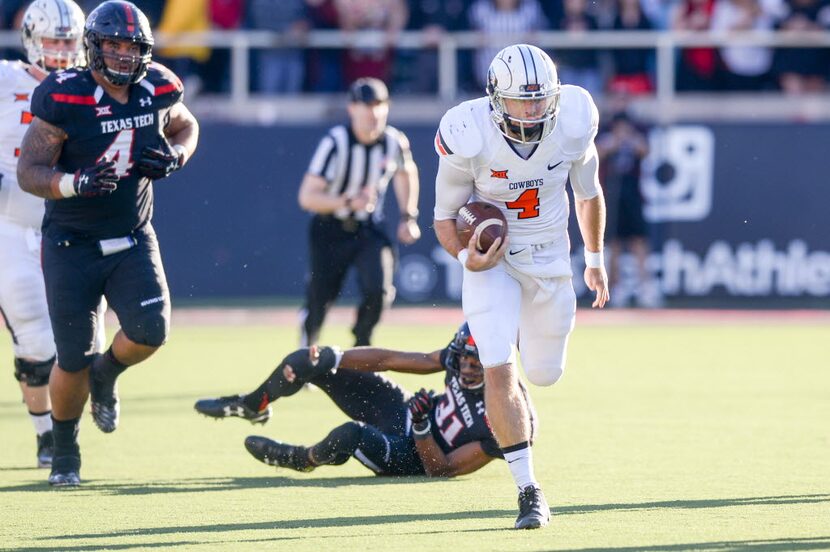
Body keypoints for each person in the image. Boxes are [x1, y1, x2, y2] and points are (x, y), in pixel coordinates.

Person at [16, 0, 199, 487]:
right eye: (113, 44)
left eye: (131, 46)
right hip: (71, 243)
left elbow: (186, 125)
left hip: (134, 235)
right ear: (93, 47)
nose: (121, 55)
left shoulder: (158, 86)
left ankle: (107, 374)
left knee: (150, 331)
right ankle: (65, 449)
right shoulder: (64, 94)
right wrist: (73, 183)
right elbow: (29, 172)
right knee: (71, 356)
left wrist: (177, 155)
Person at [432, 44, 609, 529]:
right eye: (520, 100)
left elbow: (588, 193)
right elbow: (445, 219)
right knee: (497, 365)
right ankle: (529, 490)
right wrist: (468, 255)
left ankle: (511, 389)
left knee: (545, 373)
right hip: (494, 266)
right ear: (495, 98)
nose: (531, 109)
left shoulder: (573, 120)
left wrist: (594, 259)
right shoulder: (469, 133)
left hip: (550, 262)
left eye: (539, 99)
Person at [195, 323, 536, 477]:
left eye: (476, 362)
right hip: (406, 413)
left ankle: (302, 459)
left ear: (499, 361)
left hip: (415, 453)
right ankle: (255, 403)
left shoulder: (508, 417)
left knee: (350, 435)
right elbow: (392, 359)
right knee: (310, 361)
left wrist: (420, 427)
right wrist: (338, 356)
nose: (465, 367)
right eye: (462, 357)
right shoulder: (457, 356)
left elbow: (440, 469)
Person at [0, 0, 87, 470]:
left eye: (68, 41)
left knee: (75, 339)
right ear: (33, 40)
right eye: (52, 41)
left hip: (70, 222)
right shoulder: (5, 79)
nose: (59, 51)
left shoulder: (93, 84)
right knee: (34, 336)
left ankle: (75, 415)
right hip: (10, 220)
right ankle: (46, 434)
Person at [298, 77, 420, 347]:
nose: (374, 112)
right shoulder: (336, 143)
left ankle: (361, 345)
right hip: (330, 228)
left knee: (380, 290)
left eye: (379, 105)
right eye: (367, 105)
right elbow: (307, 197)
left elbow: (406, 172)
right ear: (352, 108)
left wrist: (407, 216)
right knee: (320, 298)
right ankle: (307, 349)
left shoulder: (394, 141)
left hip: (368, 228)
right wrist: (346, 201)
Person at [596, 111, 659, 308]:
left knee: (638, 240)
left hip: (633, 197)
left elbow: (645, 150)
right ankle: (616, 286)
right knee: (613, 242)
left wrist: (628, 140)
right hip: (611, 197)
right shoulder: (606, 139)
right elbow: (597, 153)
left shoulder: (635, 139)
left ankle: (645, 287)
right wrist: (614, 142)